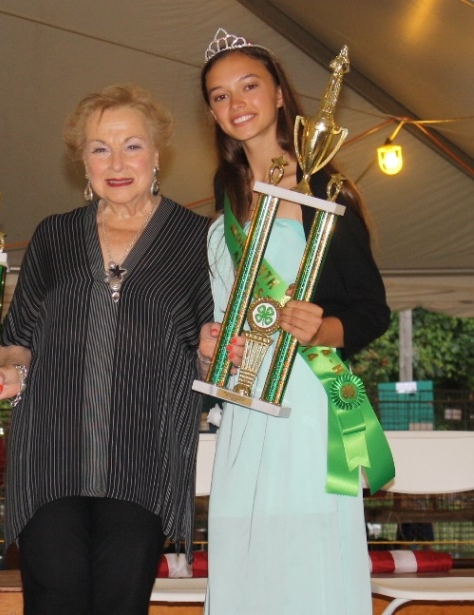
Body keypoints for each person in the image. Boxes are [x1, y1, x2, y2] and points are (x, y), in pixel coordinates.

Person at [0, 84, 213, 614]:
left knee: (121, 605)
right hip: (50, 456)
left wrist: (219, 348)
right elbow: (18, 343)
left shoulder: (200, 241)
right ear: (83, 161)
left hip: (143, 459)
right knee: (54, 602)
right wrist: (6, 377)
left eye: (132, 145)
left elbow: (210, 356)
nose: (117, 162)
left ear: (157, 154)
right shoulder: (53, 237)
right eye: (100, 147)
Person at [197, 29, 392, 614]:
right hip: (245, 402)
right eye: (219, 95)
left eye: (249, 86)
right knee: (242, 549)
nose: (236, 104)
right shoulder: (225, 197)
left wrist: (320, 328)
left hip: (309, 401)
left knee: (309, 553)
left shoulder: (326, 187)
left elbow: (369, 309)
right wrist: (211, 344)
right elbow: (228, 308)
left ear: (281, 93)